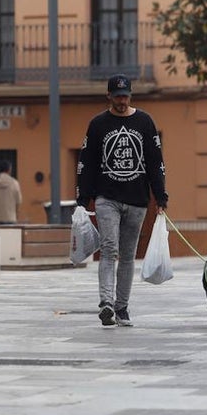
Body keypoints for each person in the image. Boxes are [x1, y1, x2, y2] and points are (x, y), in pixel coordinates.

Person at [76, 73, 168, 327]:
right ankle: (106, 303)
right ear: (109, 96)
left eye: (125, 96)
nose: (122, 101)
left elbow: (155, 162)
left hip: (137, 200)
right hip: (107, 199)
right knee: (109, 249)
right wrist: (83, 198)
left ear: (130, 95)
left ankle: (122, 308)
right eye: (117, 97)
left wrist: (160, 196)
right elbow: (87, 162)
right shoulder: (98, 124)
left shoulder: (145, 122)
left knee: (127, 256)